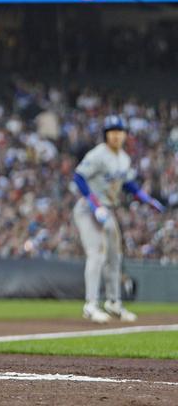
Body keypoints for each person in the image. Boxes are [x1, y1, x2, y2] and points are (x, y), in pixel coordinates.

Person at [72, 115, 166, 323]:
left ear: (124, 135)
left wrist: (146, 198)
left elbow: (128, 183)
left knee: (115, 257)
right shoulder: (98, 154)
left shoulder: (123, 158)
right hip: (89, 209)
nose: (116, 135)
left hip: (107, 210)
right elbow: (79, 177)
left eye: (119, 132)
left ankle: (113, 302)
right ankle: (91, 304)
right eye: (112, 132)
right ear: (106, 135)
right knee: (96, 253)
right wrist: (94, 205)